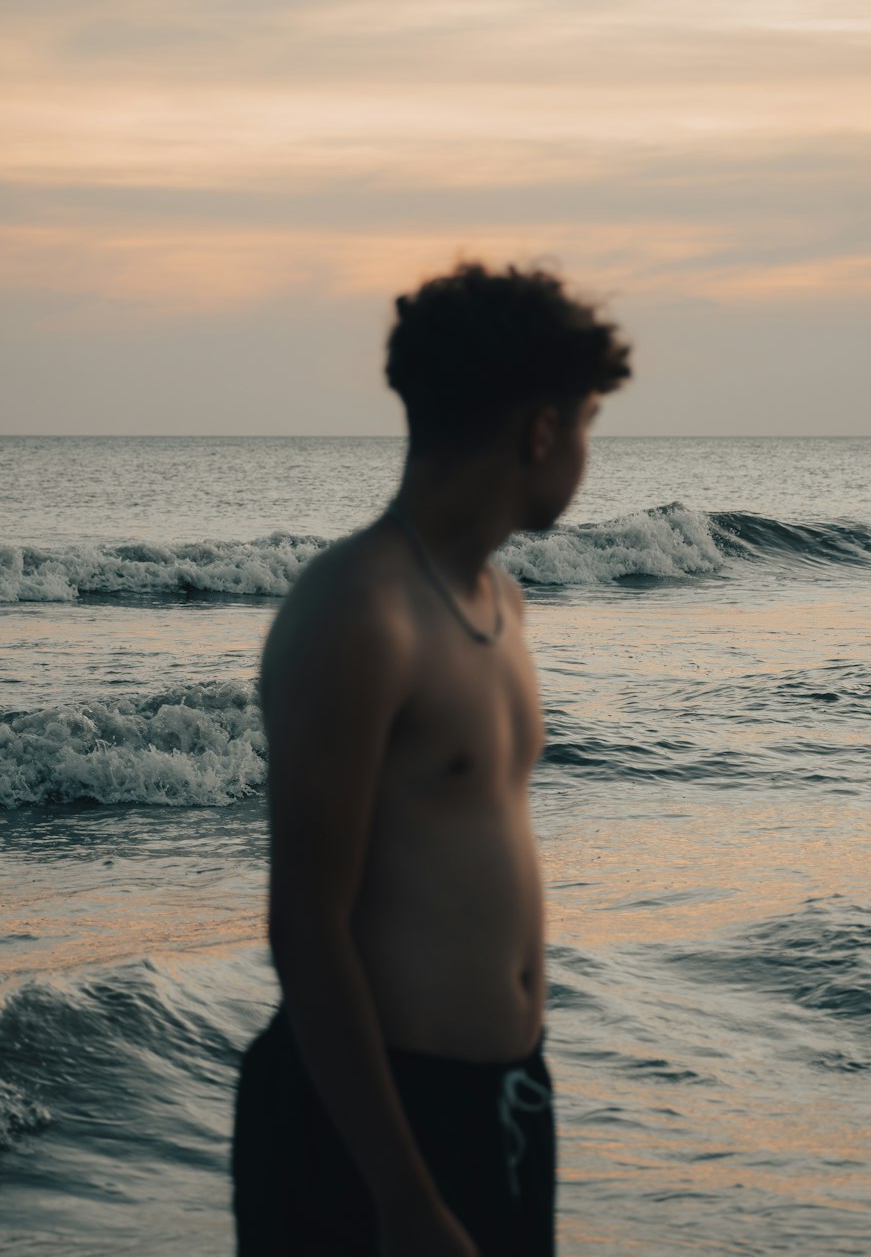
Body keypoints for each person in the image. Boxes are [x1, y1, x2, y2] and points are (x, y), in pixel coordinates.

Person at [231, 262, 631, 1256]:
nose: (585, 450)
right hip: (373, 1127)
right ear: (539, 430)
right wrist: (401, 1193)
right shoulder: (359, 612)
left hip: (504, 1099)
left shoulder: (500, 601)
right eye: (585, 422)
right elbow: (306, 923)